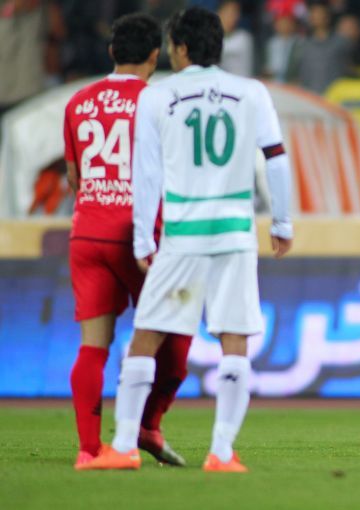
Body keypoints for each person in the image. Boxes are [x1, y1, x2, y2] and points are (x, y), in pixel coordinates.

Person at [80, 7, 293, 472]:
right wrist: (282, 223)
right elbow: (276, 158)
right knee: (234, 339)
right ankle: (221, 452)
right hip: (234, 233)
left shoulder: (157, 96)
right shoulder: (251, 92)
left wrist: (143, 238)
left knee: (146, 336)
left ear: (179, 47)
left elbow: (146, 174)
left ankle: (123, 446)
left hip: (181, 235)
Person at [63, 13, 193, 470]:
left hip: (88, 232)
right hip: (145, 237)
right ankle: (147, 425)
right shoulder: (159, 101)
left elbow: (75, 177)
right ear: (156, 56)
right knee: (176, 343)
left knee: (92, 347)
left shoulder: (78, 102)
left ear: (111, 52)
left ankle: (89, 450)